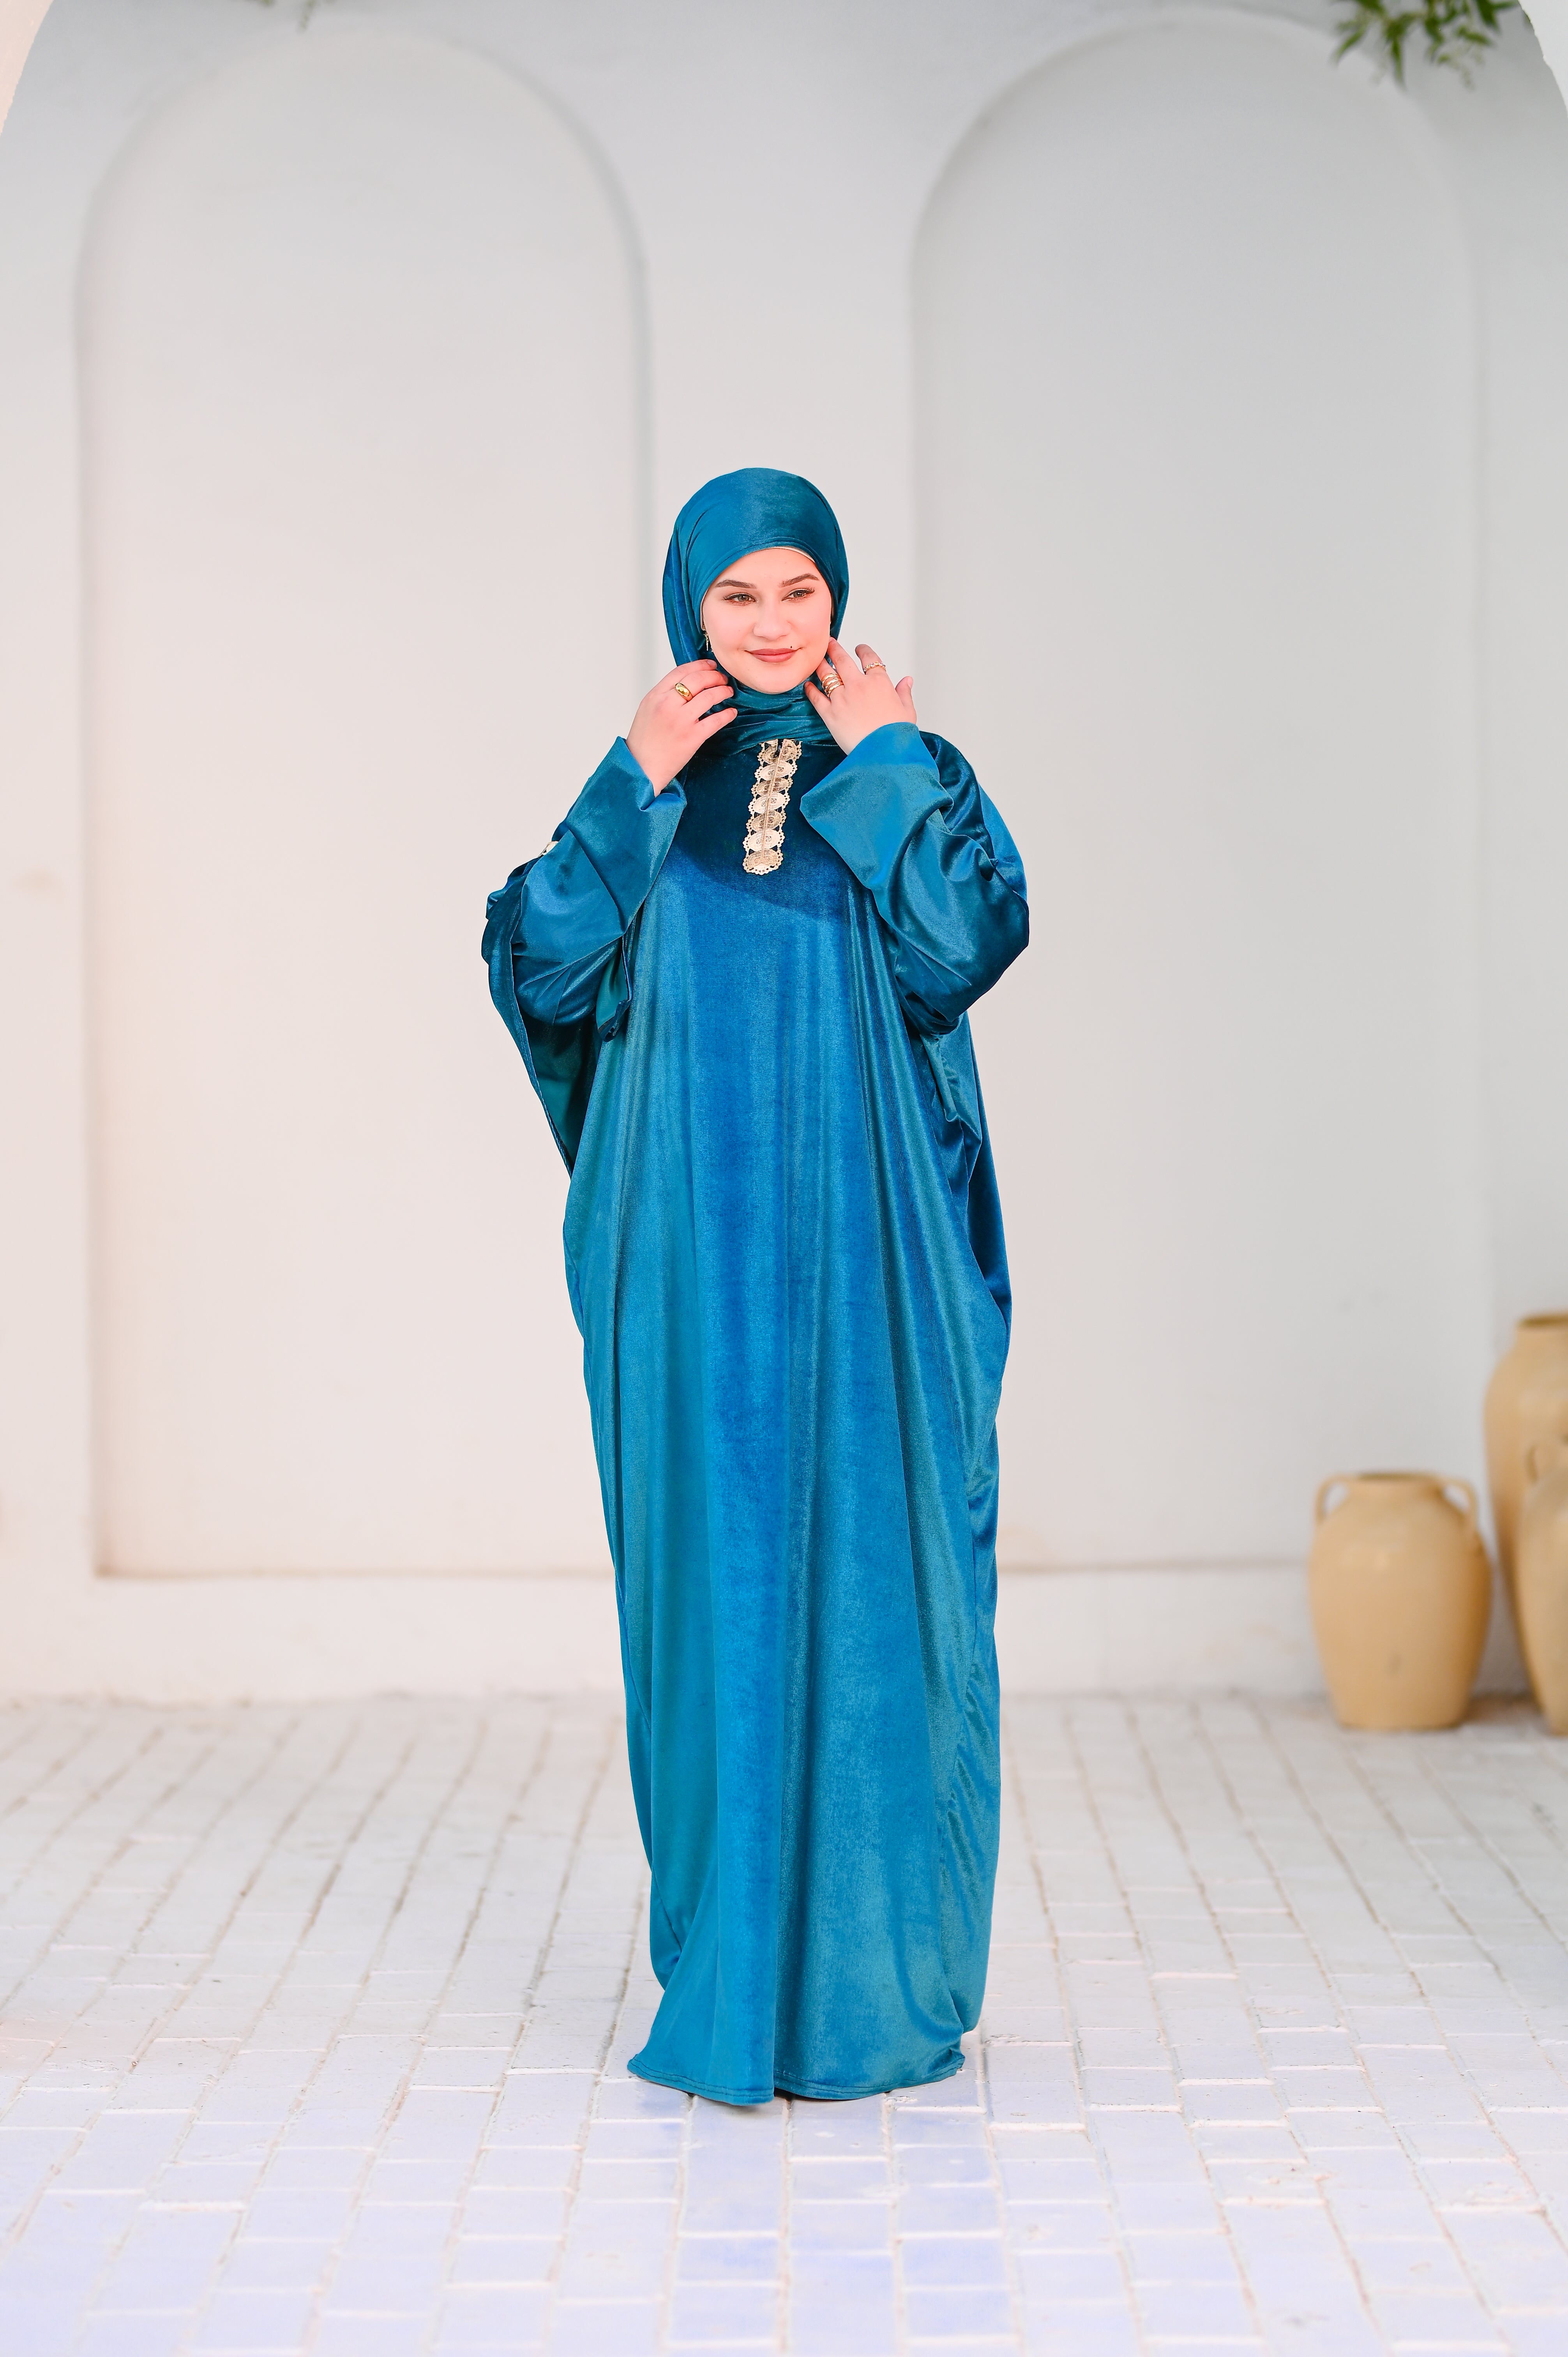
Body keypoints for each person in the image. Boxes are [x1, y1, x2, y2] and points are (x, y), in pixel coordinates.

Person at [484, 468, 1028, 2104]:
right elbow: (541, 962)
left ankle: (878, 1990)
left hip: (870, 1259)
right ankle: (731, 1975)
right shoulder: (649, 779)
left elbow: (963, 946)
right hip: (693, 1262)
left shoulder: (900, 760)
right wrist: (628, 776)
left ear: (836, 597)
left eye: (800, 591)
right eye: (738, 596)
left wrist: (892, 762)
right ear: (691, 607)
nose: (774, 623)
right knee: (711, 1588)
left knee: (885, 1582)